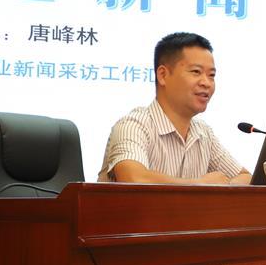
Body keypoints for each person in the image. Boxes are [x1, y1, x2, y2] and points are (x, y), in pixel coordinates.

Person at [97, 32, 252, 185]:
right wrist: (198, 185)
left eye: (211, 75)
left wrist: (226, 185)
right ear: (163, 75)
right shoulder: (133, 126)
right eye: (196, 72)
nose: (206, 83)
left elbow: (246, 178)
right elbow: (134, 178)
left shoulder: (204, 134)